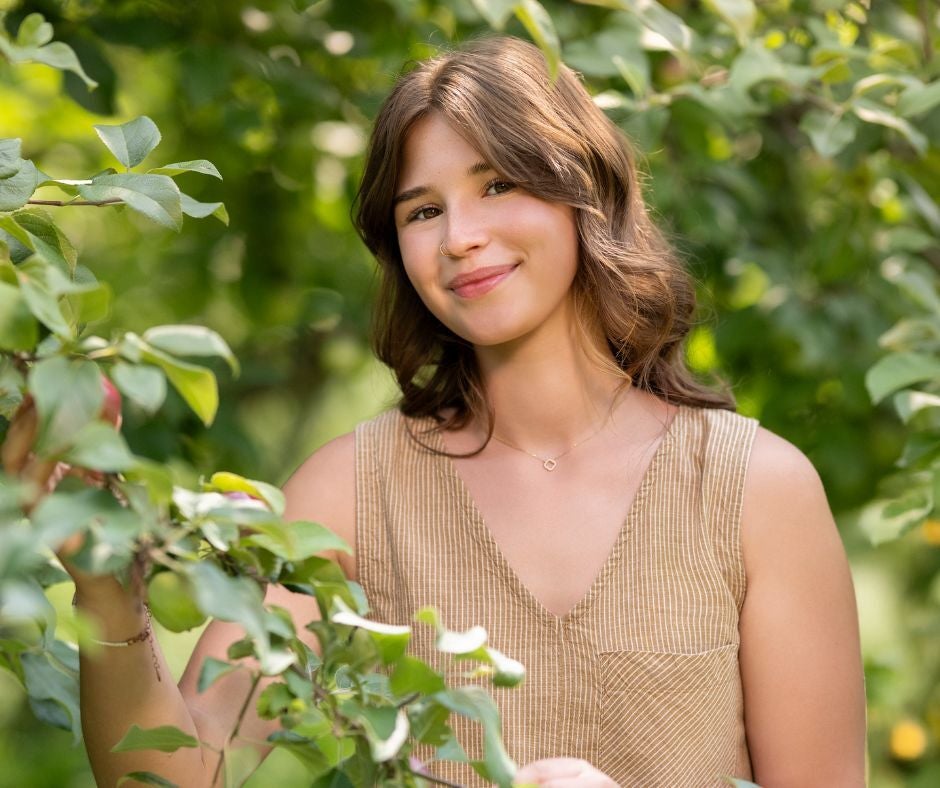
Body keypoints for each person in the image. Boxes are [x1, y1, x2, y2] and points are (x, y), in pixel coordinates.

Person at [54, 35, 864, 787]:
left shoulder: (756, 490)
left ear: (585, 189)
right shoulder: (350, 493)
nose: (461, 237)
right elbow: (180, 771)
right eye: (423, 211)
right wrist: (107, 600)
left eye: (498, 184)